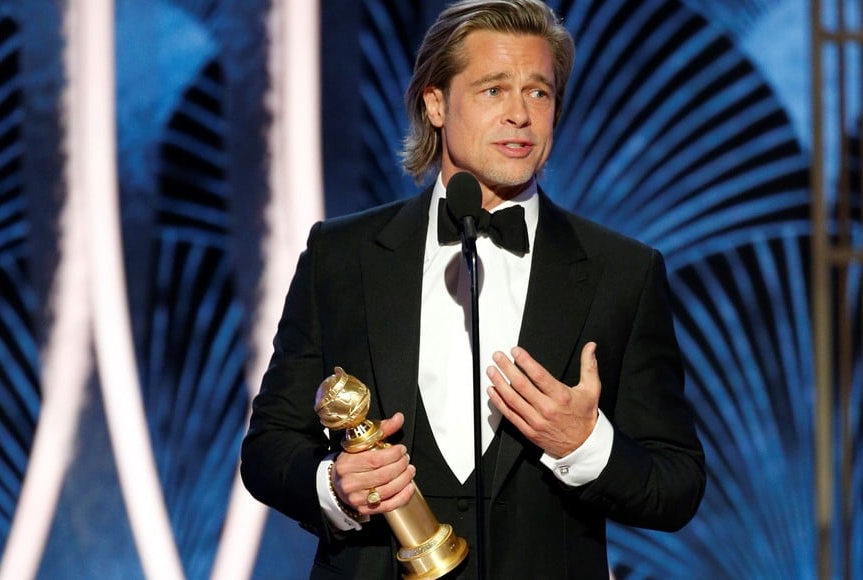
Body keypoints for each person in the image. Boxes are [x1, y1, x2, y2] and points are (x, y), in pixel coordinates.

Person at [240, 0, 706, 578]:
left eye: (539, 92)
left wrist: (585, 443)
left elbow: (677, 486)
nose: (520, 114)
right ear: (435, 103)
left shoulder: (622, 273)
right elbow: (266, 450)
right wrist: (335, 487)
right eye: (493, 90)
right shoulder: (342, 256)